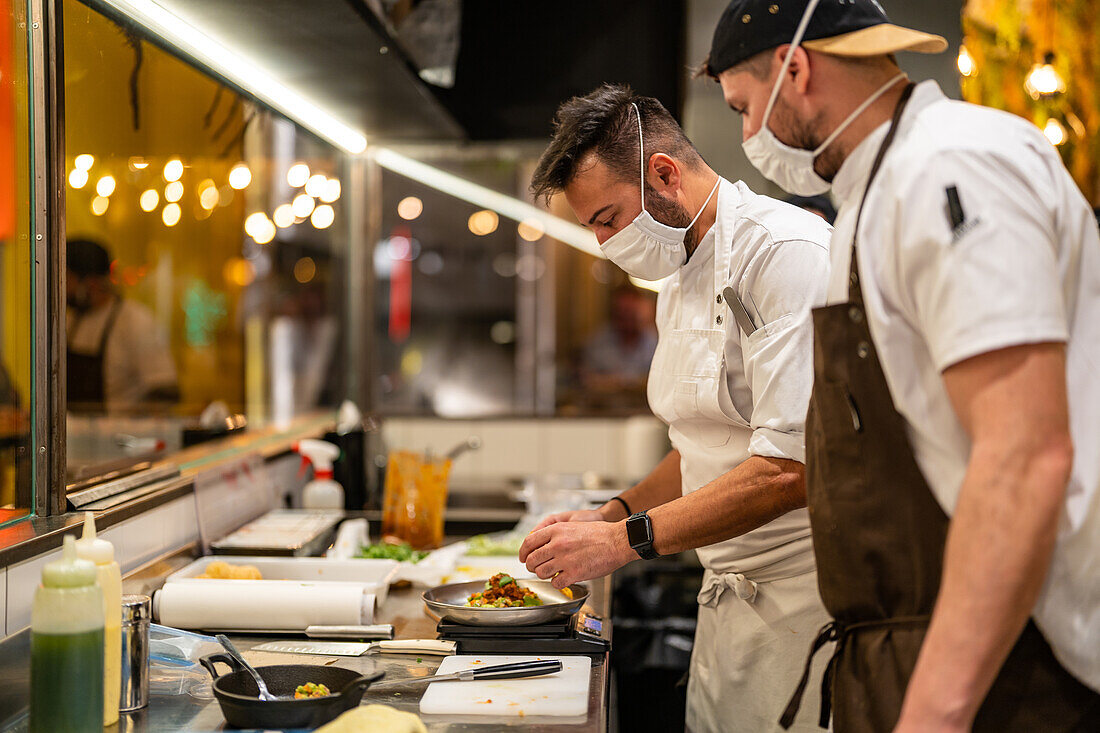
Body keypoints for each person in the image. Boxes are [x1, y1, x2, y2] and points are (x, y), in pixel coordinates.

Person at [704, 1, 1100, 730]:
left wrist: (933, 712)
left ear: (796, 69)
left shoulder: (950, 167)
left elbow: (1024, 455)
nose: (745, 133)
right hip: (914, 642)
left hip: (1018, 661)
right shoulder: (871, 192)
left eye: (743, 106)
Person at [520, 84, 834, 732]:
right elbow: (702, 448)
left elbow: (788, 467)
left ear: (663, 173)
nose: (604, 242)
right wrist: (614, 509)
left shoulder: (783, 252)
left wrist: (622, 540)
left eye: (607, 217)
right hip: (726, 606)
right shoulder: (677, 278)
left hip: (805, 606)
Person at [66, 239, 179, 414]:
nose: (63, 288)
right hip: (73, 436)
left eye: (67, 280)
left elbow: (165, 392)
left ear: (91, 283)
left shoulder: (134, 321)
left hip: (118, 437)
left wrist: (133, 425)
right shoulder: (70, 321)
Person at [578, 285, 657, 408]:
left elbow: (661, 383)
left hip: (645, 412)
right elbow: (587, 381)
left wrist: (615, 382)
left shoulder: (656, 343)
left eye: (631, 312)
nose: (626, 317)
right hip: (605, 413)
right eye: (622, 311)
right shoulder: (598, 343)